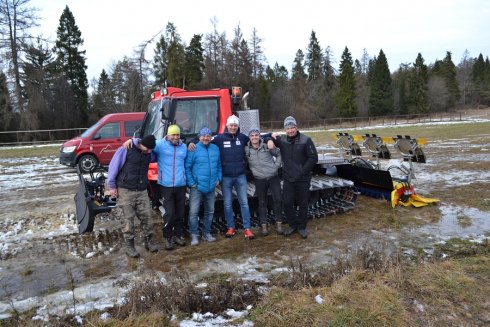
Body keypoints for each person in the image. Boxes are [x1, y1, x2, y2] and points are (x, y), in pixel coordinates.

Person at [107, 134, 159, 258]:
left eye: (151, 149)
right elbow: (113, 167)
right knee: (128, 220)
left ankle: (149, 242)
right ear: (142, 144)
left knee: (147, 217)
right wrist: (112, 186)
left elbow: (157, 151)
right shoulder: (126, 149)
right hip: (125, 190)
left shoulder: (149, 153)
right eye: (148, 149)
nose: (150, 152)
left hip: (141, 190)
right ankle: (130, 246)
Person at [271, 116, 318, 239]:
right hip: (288, 179)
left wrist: (303, 171)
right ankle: (292, 225)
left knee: (303, 204)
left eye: (292, 127)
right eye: (288, 128)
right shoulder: (282, 140)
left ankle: (302, 227)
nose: (290, 130)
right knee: (287, 203)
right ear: (285, 129)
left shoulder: (306, 140)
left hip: (303, 178)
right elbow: (266, 138)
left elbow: (313, 158)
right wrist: (271, 135)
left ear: (296, 127)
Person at [153, 124, 188, 250]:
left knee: (180, 212)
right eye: (173, 134)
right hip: (166, 185)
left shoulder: (183, 147)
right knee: (170, 213)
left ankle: (178, 235)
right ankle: (168, 236)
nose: (175, 137)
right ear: (168, 135)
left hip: (181, 184)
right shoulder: (160, 145)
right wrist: (132, 141)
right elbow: (146, 144)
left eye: (177, 134)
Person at [185, 127, 222, 246]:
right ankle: (194, 234)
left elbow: (219, 165)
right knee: (194, 212)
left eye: (208, 136)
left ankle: (206, 233)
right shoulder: (193, 149)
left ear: (211, 137)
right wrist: (191, 183)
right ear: (199, 137)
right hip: (197, 186)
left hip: (211, 186)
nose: (206, 138)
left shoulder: (215, 148)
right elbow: (187, 167)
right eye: (203, 136)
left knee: (210, 211)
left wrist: (218, 178)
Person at [245, 128, 283, 236]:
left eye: (256, 135)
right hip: (259, 179)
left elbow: (279, 154)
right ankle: (264, 226)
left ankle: (279, 223)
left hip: (273, 177)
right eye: (252, 135)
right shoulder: (247, 149)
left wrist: (276, 167)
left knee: (278, 200)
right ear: (249, 137)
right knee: (262, 203)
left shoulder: (267, 146)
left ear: (260, 136)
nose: (254, 137)